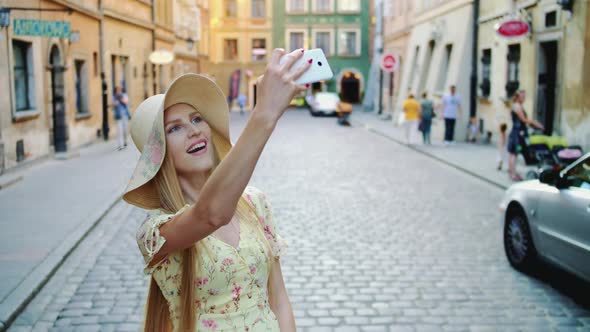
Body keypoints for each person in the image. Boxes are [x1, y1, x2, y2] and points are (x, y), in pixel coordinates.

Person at [123, 48, 311, 332]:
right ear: (158, 156)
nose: (194, 130)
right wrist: (264, 115)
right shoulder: (155, 233)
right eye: (174, 128)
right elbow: (211, 215)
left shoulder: (255, 202)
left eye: (197, 119)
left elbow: (279, 298)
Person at [507, 90, 544, 181]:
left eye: (524, 97)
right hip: (517, 134)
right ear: (518, 97)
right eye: (522, 97)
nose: (524, 98)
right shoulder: (517, 106)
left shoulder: (517, 105)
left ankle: (512, 173)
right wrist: (536, 125)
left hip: (518, 133)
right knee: (514, 154)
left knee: (514, 154)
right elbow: (524, 120)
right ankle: (512, 174)